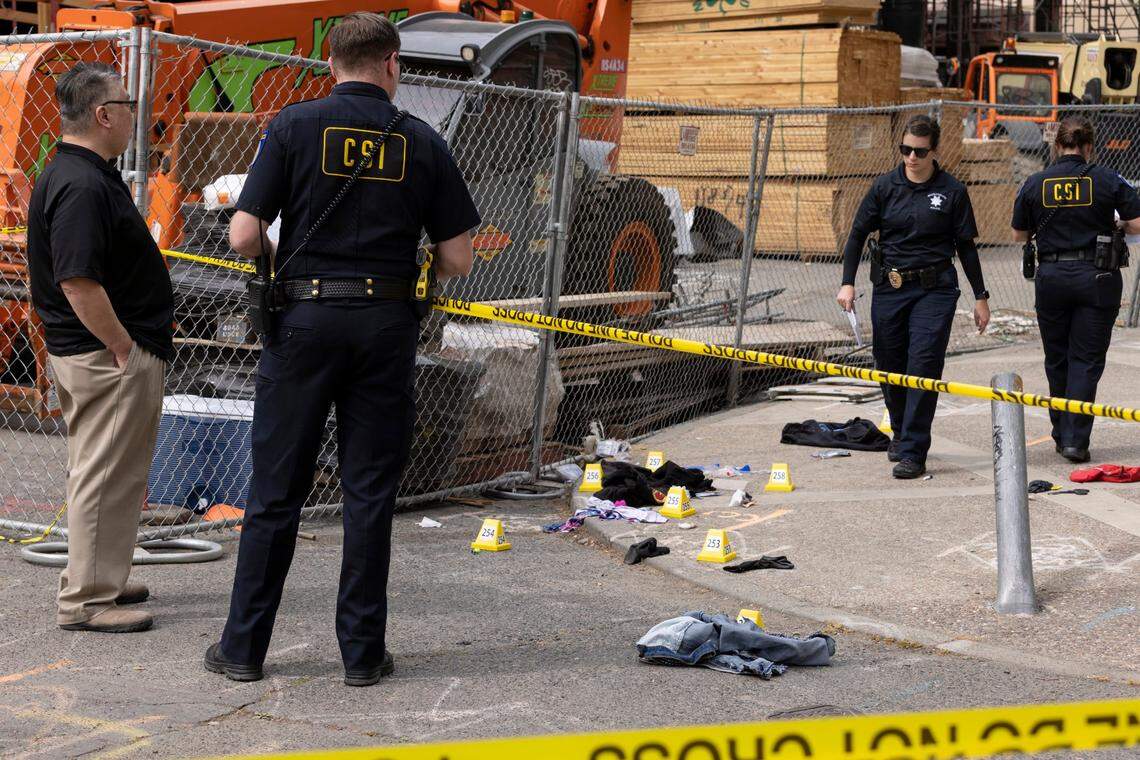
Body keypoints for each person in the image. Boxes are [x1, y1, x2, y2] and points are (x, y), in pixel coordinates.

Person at [205, 12, 479, 686]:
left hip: (303, 319)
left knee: (275, 493)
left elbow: (243, 235)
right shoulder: (423, 141)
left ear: (330, 63)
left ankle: (242, 651)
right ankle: (361, 656)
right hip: (385, 326)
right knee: (367, 494)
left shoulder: (293, 126)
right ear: (393, 65)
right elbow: (459, 258)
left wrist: (284, 257)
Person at [27, 63, 173, 633]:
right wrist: (121, 347)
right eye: (127, 102)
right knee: (104, 473)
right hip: (102, 355)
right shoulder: (82, 184)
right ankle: (87, 599)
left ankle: (103, 575)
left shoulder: (82, 173)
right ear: (103, 114)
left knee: (113, 471)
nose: (135, 112)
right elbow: (78, 281)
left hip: (95, 352)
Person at [836, 114, 990, 479]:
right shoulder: (884, 187)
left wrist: (980, 296)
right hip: (890, 288)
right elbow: (858, 235)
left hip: (935, 290)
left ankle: (914, 450)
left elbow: (965, 247)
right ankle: (902, 432)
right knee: (889, 364)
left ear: (933, 151)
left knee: (922, 365)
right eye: (905, 150)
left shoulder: (952, 190)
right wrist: (847, 282)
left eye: (919, 151)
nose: (911, 158)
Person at [1012, 115, 1140, 463]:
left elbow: (1019, 235)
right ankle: (1075, 441)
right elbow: (1137, 222)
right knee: (1085, 360)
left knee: (1057, 358)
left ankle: (1059, 432)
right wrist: (1117, 224)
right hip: (1096, 278)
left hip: (1052, 277)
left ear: (1056, 146)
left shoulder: (1036, 182)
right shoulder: (1106, 179)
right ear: (1089, 147)